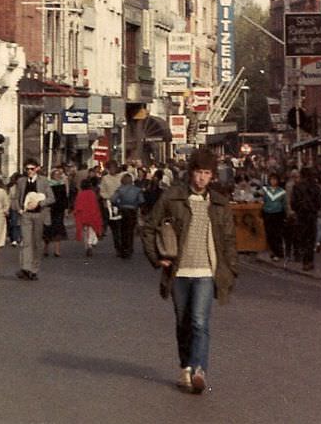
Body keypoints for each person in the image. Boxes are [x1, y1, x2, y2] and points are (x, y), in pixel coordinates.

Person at [141, 148, 238, 395]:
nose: (201, 178)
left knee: (199, 321)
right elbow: (149, 226)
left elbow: (228, 240)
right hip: (179, 271)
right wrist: (156, 258)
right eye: (198, 172)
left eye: (207, 173)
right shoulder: (172, 197)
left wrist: (231, 269)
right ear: (191, 173)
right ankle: (185, 367)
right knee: (183, 322)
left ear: (212, 176)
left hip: (207, 271)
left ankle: (198, 370)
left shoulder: (219, 202)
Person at [15, 159, 54, 280]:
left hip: (39, 215)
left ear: (37, 169)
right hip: (26, 215)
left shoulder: (44, 181)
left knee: (37, 242)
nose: (29, 171)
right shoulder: (21, 181)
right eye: (27, 169)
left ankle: (34, 269)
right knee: (26, 242)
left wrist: (40, 203)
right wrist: (19, 209)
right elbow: (16, 198)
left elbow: (52, 198)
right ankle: (25, 268)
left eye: (32, 169)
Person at [290, 166, 321, 271]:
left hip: (301, 215)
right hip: (312, 215)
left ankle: (305, 262)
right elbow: (320, 203)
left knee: (303, 238)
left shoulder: (297, 187)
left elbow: (293, 203)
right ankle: (310, 261)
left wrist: (298, 209)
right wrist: (315, 209)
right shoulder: (316, 187)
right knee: (311, 238)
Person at [111, 173, 144, 259]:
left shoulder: (120, 189)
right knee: (130, 230)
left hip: (122, 210)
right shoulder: (137, 190)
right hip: (133, 210)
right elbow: (141, 201)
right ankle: (130, 248)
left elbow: (113, 199)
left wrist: (118, 204)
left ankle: (123, 248)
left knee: (122, 230)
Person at [74, 178, 104, 257]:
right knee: (92, 230)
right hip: (92, 214)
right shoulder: (92, 193)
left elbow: (77, 205)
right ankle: (91, 243)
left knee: (85, 232)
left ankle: (87, 246)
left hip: (83, 215)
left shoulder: (80, 194)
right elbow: (95, 205)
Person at [99, 160, 124, 254]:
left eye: (114, 167)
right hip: (110, 204)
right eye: (110, 168)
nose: (112, 170)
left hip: (121, 203)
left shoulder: (121, 177)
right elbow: (102, 191)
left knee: (122, 226)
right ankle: (118, 246)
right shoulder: (105, 178)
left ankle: (123, 245)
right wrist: (107, 198)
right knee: (115, 227)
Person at [261, 172, 287, 261]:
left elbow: (284, 204)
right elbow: (262, 200)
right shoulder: (265, 190)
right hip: (267, 213)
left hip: (278, 214)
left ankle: (278, 252)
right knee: (269, 233)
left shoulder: (282, 192)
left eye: (275, 179)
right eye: (272, 179)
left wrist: (286, 214)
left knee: (277, 233)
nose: (273, 181)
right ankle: (273, 251)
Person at [43, 167, 68, 258]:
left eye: (59, 174)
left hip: (59, 210)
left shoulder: (62, 184)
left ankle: (57, 250)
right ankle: (46, 248)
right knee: (48, 229)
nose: (58, 176)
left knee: (58, 229)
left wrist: (66, 209)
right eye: (56, 174)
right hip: (50, 209)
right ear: (52, 175)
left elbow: (65, 197)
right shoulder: (48, 185)